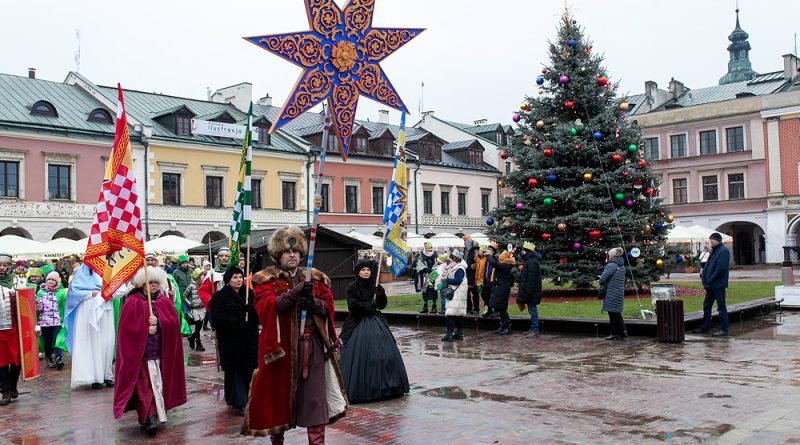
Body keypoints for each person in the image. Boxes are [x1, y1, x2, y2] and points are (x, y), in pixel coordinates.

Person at [243, 226, 347, 444]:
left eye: (295, 251)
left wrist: (315, 303)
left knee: (316, 402)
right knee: (277, 402)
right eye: (286, 251)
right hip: (280, 351)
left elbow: (328, 306)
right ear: (278, 255)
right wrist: (295, 293)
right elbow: (266, 308)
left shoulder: (315, 277)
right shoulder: (265, 280)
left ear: (301, 253)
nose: (292, 255)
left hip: (313, 349)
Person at [113, 266, 186, 436]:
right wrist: (145, 328)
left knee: (158, 386)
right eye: (149, 282)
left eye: (155, 282)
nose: (153, 285)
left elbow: (173, 324)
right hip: (141, 357)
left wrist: (159, 323)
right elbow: (126, 330)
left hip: (160, 354)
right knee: (144, 389)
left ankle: (156, 414)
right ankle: (148, 418)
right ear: (142, 284)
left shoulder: (163, 301)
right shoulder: (133, 302)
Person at [339, 259, 409, 402]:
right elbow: (352, 306)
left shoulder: (375, 285)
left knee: (384, 354)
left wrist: (381, 295)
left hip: (376, 322)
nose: (366, 272)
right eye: (363, 270)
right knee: (360, 356)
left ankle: (387, 387)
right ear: (358, 272)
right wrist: (369, 305)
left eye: (368, 270)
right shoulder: (352, 287)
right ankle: (361, 388)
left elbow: (382, 306)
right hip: (357, 323)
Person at [64, 264, 126, 389]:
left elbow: (122, 288)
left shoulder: (110, 268)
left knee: (106, 342)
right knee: (91, 343)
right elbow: (74, 292)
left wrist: (110, 293)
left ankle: (107, 375)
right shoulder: (82, 271)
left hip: (105, 309)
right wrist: (91, 293)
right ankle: (95, 377)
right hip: (87, 310)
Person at [209, 266, 258, 416]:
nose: (238, 280)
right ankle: (240, 402)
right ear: (228, 280)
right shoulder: (219, 297)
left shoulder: (249, 294)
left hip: (249, 340)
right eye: (235, 277)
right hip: (231, 341)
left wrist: (252, 310)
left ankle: (247, 399)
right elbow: (217, 318)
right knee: (235, 371)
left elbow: (258, 315)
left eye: (240, 277)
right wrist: (236, 323)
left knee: (248, 370)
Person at [693, 233, 731, 337]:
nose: (710, 242)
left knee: (721, 306)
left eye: (712, 240)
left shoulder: (723, 251)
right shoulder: (714, 250)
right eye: (710, 240)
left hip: (718, 284)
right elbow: (709, 265)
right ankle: (705, 326)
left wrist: (710, 279)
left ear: (717, 240)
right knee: (707, 305)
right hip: (711, 284)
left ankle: (724, 329)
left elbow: (720, 268)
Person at [0, 253, 21, 405]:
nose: (2, 268)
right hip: (0, 330)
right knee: (1, 361)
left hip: (17, 329)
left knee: (17, 360)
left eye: (5, 265)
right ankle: (4, 390)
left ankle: (13, 385)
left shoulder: (18, 282)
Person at [36, 271, 66, 370]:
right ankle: (49, 359)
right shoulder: (41, 292)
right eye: (49, 279)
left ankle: (58, 358)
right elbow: (38, 308)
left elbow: (65, 306)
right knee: (47, 342)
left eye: (53, 279)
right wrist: (37, 301)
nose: (51, 281)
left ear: (57, 281)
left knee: (58, 340)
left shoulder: (61, 293)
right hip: (45, 322)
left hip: (57, 321)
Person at [485, 249, 515, 335]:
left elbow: (494, 263)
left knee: (502, 308)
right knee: (500, 308)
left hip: (502, 289)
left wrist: (488, 255)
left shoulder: (505, 266)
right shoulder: (504, 265)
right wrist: (491, 255)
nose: (499, 259)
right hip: (500, 289)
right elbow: (496, 262)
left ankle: (507, 327)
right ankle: (503, 326)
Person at [440, 250, 468, 342]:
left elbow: (457, 281)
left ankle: (449, 334)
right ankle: (459, 333)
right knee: (458, 315)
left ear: (455, 258)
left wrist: (446, 280)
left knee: (450, 314)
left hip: (457, 295)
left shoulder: (459, 268)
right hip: (457, 295)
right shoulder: (457, 267)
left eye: (452, 258)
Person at [599, 247, 626, 340]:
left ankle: (614, 333)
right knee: (617, 313)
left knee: (612, 313)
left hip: (611, 292)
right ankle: (623, 331)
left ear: (612, 256)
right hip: (619, 293)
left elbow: (602, 280)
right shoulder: (622, 266)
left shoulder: (611, 266)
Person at [516, 242, 542, 336]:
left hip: (532, 292)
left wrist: (528, 292)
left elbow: (531, 279)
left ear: (527, 251)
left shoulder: (531, 262)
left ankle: (535, 330)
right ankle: (533, 329)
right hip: (531, 291)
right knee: (531, 310)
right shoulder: (530, 261)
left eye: (523, 250)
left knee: (532, 310)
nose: (522, 252)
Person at [181, 268, 205, 351]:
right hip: (195, 309)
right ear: (197, 277)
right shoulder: (191, 286)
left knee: (199, 326)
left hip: (202, 308)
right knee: (198, 326)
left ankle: (192, 338)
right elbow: (184, 296)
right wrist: (189, 303)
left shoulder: (203, 284)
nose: (203, 277)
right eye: (201, 275)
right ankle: (198, 343)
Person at [416, 242, 437, 313]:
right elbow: (419, 265)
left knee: (433, 290)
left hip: (433, 275)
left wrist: (433, 270)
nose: (430, 249)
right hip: (424, 276)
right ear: (425, 248)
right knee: (425, 291)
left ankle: (434, 307)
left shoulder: (435, 254)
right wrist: (427, 269)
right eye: (429, 248)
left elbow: (438, 263)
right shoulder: (421, 255)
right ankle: (425, 307)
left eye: (431, 247)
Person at [479, 243, 499, 318]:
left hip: (493, 280)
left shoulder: (495, 259)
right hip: (486, 280)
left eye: (490, 249)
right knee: (485, 295)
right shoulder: (488, 258)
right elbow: (485, 270)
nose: (488, 251)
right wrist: (483, 280)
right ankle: (489, 310)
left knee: (493, 296)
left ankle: (496, 311)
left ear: (493, 251)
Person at [463, 237, 480, 315]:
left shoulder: (474, 250)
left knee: (474, 292)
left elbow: (476, 262)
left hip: (473, 275)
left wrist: (469, 267)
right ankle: (469, 308)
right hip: (468, 274)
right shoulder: (468, 250)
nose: (464, 244)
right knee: (468, 292)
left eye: (465, 242)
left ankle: (476, 308)